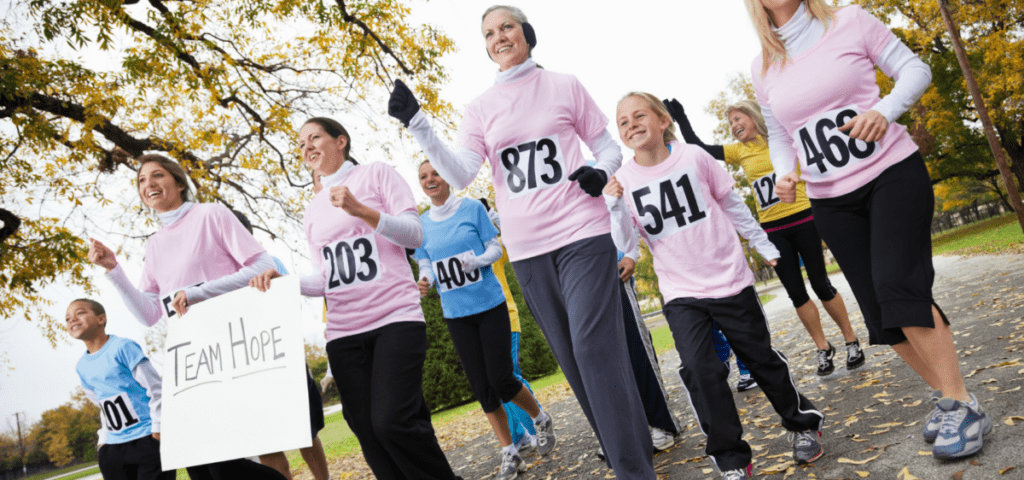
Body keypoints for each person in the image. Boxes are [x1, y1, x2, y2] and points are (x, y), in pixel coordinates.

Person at [387, 6, 655, 478]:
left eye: (506, 26)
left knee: (595, 351)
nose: (498, 36)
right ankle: (627, 453)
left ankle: (634, 471)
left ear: (527, 34)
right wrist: (419, 124)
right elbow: (462, 173)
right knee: (575, 362)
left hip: (581, 233)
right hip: (528, 250)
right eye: (488, 33)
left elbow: (607, 145)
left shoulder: (564, 84)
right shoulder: (479, 108)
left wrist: (602, 170)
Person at [745, 0, 990, 459]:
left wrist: (886, 109)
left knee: (898, 285)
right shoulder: (763, 63)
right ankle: (954, 400)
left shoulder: (848, 20)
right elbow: (780, 133)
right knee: (879, 314)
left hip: (891, 173)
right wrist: (784, 171)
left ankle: (962, 403)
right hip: (829, 199)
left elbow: (914, 69)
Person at [605, 92, 825, 480]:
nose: (631, 125)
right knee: (700, 369)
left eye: (639, 116)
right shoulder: (622, 180)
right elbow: (627, 240)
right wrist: (615, 208)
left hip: (729, 279)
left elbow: (733, 203)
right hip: (680, 291)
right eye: (623, 122)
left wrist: (762, 243)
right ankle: (731, 458)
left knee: (760, 359)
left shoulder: (694, 157)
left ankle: (803, 424)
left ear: (661, 120)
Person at [249, 117, 461, 480]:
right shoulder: (314, 209)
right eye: (300, 144)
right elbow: (327, 279)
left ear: (341, 141)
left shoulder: (377, 175)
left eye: (314, 137)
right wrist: (287, 282)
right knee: (366, 428)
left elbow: (415, 235)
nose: (307, 148)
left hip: (394, 317)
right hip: (344, 332)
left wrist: (361, 210)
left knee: (392, 420)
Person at [87, 154, 286, 480]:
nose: (148, 184)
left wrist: (199, 292)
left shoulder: (212, 215)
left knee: (222, 465)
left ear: (179, 183)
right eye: (141, 180)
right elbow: (150, 314)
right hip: (191, 361)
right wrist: (114, 270)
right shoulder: (154, 245)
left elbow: (263, 266)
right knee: (197, 464)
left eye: (157, 175)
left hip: (233, 349)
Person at [664, 98, 864, 377]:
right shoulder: (739, 151)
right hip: (772, 228)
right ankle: (822, 347)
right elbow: (700, 148)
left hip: (804, 216)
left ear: (753, 117)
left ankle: (850, 339)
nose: (734, 126)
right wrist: (681, 118)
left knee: (821, 283)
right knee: (796, 292)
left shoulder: (782, 142)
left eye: (738, 119)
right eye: (730, 122)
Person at [414, 161, 553, 479]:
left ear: (447, 177)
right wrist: (425, 281)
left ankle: (540, 417)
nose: (430, 179)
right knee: (482, 387)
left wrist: (476, 261)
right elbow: (426, 264)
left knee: (502, 378)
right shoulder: (422, 224)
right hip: (456, 316)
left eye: (435, 173)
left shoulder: (472, 209)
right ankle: (510, 453)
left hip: (490, 306)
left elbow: (495, 247)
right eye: (423, 177)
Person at [230, 210, 331, 480]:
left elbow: (290, 301)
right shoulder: (217, 277)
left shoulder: (271, 262)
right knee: (267, 444)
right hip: (246, 371)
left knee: (306, 434)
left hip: (284, 361)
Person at [67, 298, 175, 480]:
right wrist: (103, 441)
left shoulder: (123, 347)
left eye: (80, 313)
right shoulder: (82, 366)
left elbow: (156, 388)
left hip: (148, 438)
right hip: (113, 449)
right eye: (67, 318)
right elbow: (102, 405)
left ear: (101, 319)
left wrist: (158, 428)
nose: (72, 320)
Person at [478, 198, 540, 453]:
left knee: (509, 375)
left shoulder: (495, 248)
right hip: (478, 324)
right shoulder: (464, 249)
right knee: (492, 381)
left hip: (505, 318)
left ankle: (538, 428)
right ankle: (518, 437)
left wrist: (490, 212)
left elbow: (513, 234)